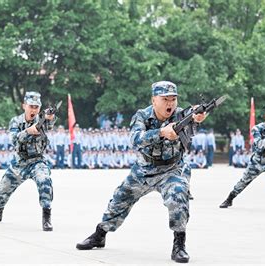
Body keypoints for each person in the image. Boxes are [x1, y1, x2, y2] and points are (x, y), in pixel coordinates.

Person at [75, 81, 207, 263]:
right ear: (154, 100)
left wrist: (197, 119)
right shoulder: (142, 116)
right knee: (120, 198)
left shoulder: (182, 114)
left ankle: (179, 244)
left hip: (172, 168)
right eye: (165, 99)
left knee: (178, 195)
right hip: (144, 169)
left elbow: (192, 124)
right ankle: (100, 234)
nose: (170, 103)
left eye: (173, 99)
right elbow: (135, 140)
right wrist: (161, 132)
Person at [0, 92, 56, 231]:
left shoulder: (42, 120)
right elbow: (14, 139)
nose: (33, 109)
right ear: (24, 106)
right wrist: (28, 131)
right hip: (19, 163)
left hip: (37, 162)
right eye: (31, 106)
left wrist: (50, 118)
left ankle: (46, 218)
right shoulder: (15, 121)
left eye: (36, 107)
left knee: (44, 181)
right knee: (2, 190)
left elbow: (49, 124)